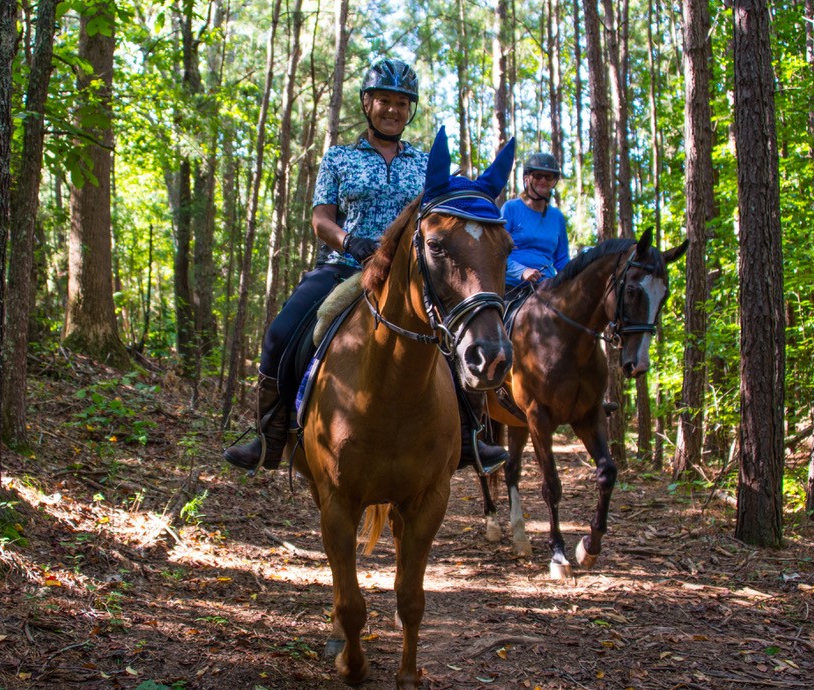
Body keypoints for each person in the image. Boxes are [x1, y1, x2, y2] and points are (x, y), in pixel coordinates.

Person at [224, 59, 508, 475]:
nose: (393, 110)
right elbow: (321, 220)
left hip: (410, 276)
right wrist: (350, 241)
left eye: (401, 103)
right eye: (384, 101)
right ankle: (270, 434)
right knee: (282, 333)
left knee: (455, 336)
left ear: (409, 110)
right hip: (344, 266)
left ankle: (470, 438)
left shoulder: (426, 165)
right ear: (367, 103)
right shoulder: (339, 159)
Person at [503, 152, 570, 291]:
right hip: (512, 286)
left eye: (548, 177)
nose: (543, 180)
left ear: (553, 181)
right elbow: (496, 252)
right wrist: (521, 271)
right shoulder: (511, 209)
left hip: (546, 287)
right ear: (527, 178)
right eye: (538, 175)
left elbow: (562, 260)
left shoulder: (557, 216)